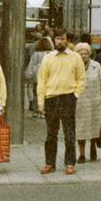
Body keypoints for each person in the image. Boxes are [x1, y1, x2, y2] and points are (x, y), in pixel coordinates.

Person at [38, 29, 86, 175]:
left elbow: (81, 78)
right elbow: (42, 80)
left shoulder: (75, 57)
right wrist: (41, 102)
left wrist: (76, 95)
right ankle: (49, 163)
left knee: (69, 133)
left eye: (63, 39)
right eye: (58, 39)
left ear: (67, 40)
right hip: (51, 98)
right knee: (51, 134)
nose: (60, 41)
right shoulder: (48, 58)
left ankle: (70, 163)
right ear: (54, 40)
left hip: (68, 97)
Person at [73, 42, 101, 164]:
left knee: (95, 127)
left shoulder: (96, 66)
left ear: (89, 54)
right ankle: (81, 154)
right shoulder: (73, 67)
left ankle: (93, 147)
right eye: (80, 54)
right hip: (80, 103)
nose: (83, 56)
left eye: (85, 53)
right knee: (81, 129)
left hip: (95, 102)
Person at [25, 36, 51, 116]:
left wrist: (28, 75)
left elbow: (31, 66)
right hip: (48, 78)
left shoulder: (36, 54)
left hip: (37, 78)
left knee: (37, 93)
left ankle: (38, 111)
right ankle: (45, 110)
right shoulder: (50, 54)